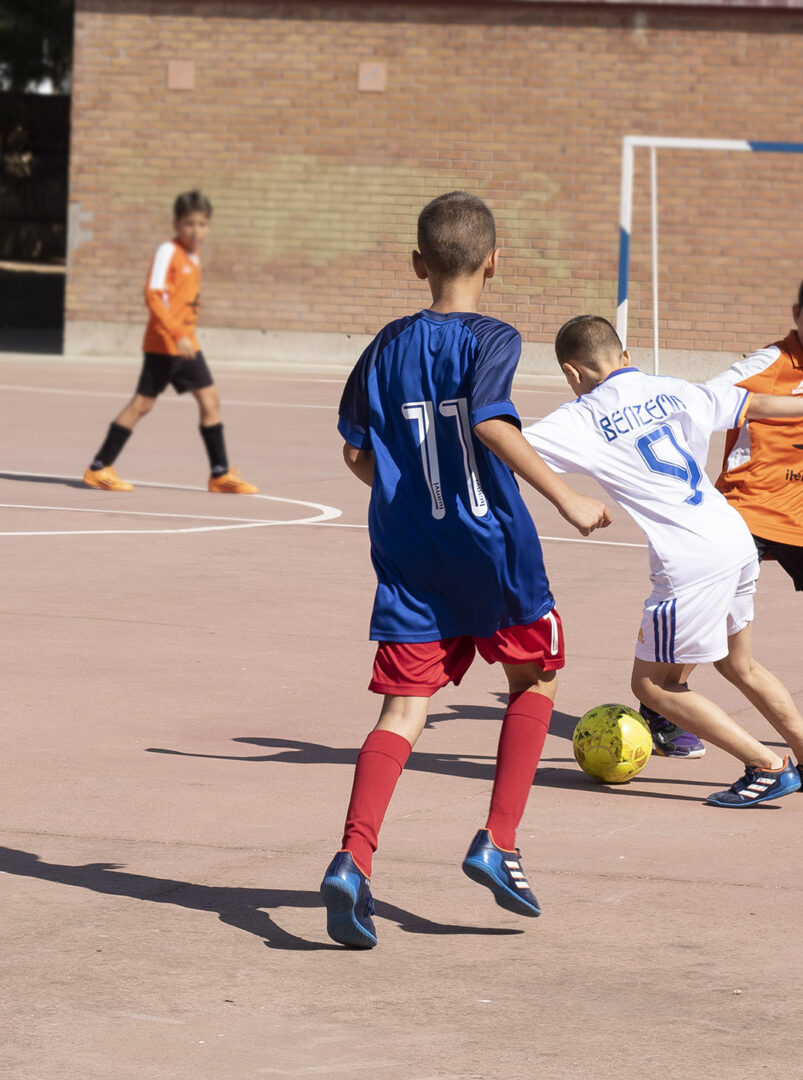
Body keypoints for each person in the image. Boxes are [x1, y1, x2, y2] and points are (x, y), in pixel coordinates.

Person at [319, 191, 611, 950]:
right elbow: (487, 418)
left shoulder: (385, 343)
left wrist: (406, 494)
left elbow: (356, 450)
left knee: (402, 712)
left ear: (418, 264)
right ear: (493, 261)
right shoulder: (493, 337)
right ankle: (498, 842)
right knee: (536, 678)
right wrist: (567, 497)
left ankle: (353, 859)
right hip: (492, 548)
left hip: (409, 553)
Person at [523, 315, 803, 809]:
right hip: (734, 536)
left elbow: (508, 445)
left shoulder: (581, 415)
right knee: (739, 664)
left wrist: (567, 498)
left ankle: (766, 764)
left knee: (653, 686)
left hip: (691, 559)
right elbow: (756, 403)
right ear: (625, 356)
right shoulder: (676, 388)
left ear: (572, 373)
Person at [642, 284, 803, 757]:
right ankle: (662, 706)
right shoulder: (766, 364)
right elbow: (699, 402)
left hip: (798, 515)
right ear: (797, 314)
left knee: (734, 654)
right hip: (747, 510)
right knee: (714, 631)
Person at [82, 190, 258, 495]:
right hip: (164, 344)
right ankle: (99, 468)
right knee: (142, 404)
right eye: (189, 223)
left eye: (202, 224)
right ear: (177, 224)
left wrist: (186, 335)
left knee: (210, 399)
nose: (196, 230)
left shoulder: (193, 256)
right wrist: (177, 334)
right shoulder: (168, 251)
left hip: (187, 345)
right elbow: (152, 295)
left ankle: (219, 474)